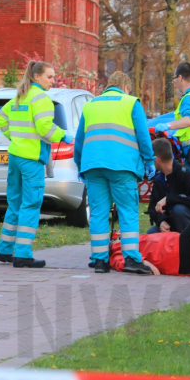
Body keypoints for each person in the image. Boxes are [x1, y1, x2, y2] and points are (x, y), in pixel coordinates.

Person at [73, 71, 155, 275]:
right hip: (122, 166)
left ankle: (99, 260)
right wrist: (149, 160)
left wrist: (79, 163)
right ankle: (131, 259)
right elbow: (143, 136)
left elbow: (80, 138)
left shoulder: (90, 105)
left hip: (92, 165)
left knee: (99, 213)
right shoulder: (130, 103)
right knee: (128, 211)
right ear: (126, 87)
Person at [0, 60, 69, 268]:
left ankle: (5, 250)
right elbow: (46, 128)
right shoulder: (42, 99)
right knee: (31, 204)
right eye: (49, 77)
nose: (53, 81)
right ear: (37, 77)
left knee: (15, 203)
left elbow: (1, 118)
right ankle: (23, 254)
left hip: (16, 157)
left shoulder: (21, 96)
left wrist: (16, 138)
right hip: (32, 159)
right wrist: (64, 136)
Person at [109, 222, 190, 278]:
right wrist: (145, 262)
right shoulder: (116, 252)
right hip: (175, 252)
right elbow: (122, 262)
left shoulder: (127, 243)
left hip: (179, 251)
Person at [146, 138, 190, 235]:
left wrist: (170, 199)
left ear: (157, 159)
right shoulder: (159, 179)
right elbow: (152, 207)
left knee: (179, 210)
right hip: (170, 224)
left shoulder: (185, 174)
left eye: (151, 159)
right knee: (151, 233)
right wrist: (161, 221)